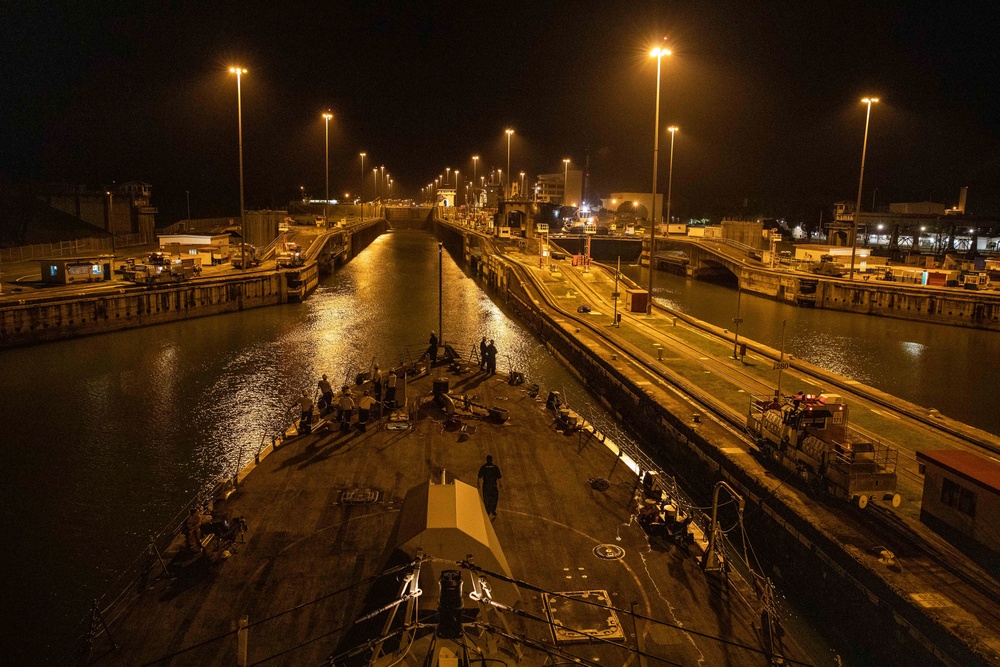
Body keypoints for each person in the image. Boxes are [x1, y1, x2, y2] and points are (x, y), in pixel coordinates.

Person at [477, 454, 502, 520]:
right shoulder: (495, 467)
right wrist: (500, 484)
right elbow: (499, 476)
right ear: (491, 460)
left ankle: (488, 510)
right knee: (494, 498)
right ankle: (493, 510)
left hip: (486, 485)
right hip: (493, 485)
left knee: (486, 498)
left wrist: (478, 483)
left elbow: (479, 476)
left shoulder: (483, 467)